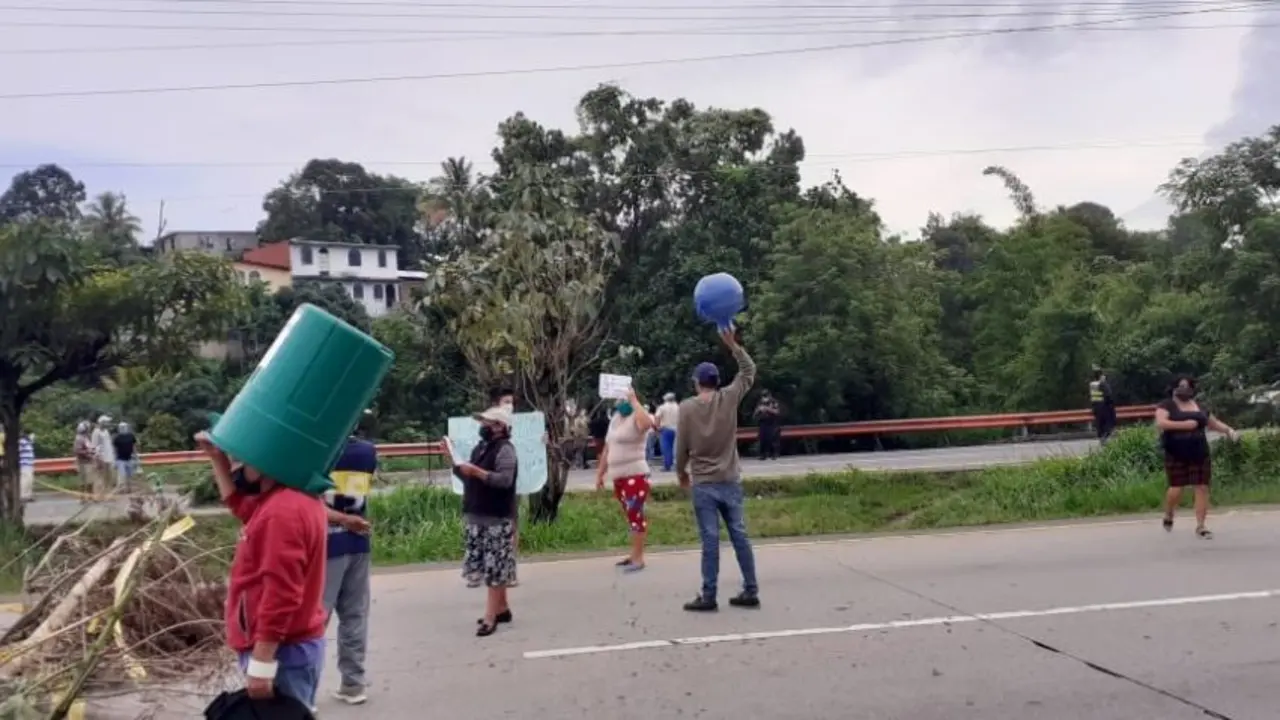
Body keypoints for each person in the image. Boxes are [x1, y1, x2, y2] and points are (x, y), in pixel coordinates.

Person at [194, 431, 328, 711]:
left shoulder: (281, 512)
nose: (237, 468)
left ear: (270, 460)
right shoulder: (287, 498)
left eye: (243, 459)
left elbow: (282, 592)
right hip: (290, 646)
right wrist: (217, 458)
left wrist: (262, 662)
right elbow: (239, 506)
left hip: (282, 651)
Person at [676, 327, 760, 612]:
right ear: (716, 381)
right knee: (739, 533)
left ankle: (709, 594)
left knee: (710, 539)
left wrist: (680, 473)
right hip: (730, 477)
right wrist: (732, 345)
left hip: (703, 482)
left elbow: (681, 447)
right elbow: (749, 371)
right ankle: (750, 589)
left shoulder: (686, 408)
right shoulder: (729, 398)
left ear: (698, 383)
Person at [322, 418, 376, 706]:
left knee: (316, 619)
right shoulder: (367, 451)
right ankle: (353, 684)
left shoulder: (318, 451)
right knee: (354, 616)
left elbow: (308, 501)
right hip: (359, 540)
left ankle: (304, 691)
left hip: (326, 543)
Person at [452, 405, 519, 637]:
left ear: (500, 427)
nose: (483, 426)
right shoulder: (481, 447)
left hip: (496, 516)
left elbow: (504, 481)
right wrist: (455, 464)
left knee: (494, 568)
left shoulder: (506, 450)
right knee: (490, 564)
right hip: (476, 512)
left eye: (487, 423)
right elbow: (468, 478)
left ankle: (490, 617)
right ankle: (502, 609)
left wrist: (478, 472)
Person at [1156, 375, 1239, 539]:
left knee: (1201, 487)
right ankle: (1169, 513)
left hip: (1199, 452)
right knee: (1176, 488)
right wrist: (1184, 425)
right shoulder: (1167, 405)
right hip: (1176, 452)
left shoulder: (1199, 407)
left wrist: (1229, 431)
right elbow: (1161, 423)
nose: (1184, 390)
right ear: (1173, 388)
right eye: (1180, 386)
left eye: (1187, 387)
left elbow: (1213, 423)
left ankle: (1201, 526)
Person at [596, 386, 655, 571]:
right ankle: (633, 554)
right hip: (618, 476)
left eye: (624, 400)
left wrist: (635, 402)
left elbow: (646, 424)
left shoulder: (639, 416)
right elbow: (607, 448)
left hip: (635, 474)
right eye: (619, 401)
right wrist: (600, 473)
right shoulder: (615, 419)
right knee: (630, 516)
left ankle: (639, 558)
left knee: (636, 514)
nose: (621, 404)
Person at [1089, 368, 1117, 445]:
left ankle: (1101, 438)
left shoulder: (1092, 385)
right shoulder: (1103, 384)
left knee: (1100, 424)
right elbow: (1109, 396)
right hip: (1105, 407)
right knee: (1109, 424)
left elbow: (1093, 397)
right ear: (1101, 376)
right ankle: (1104, 439)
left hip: (1096, 408)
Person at [654, 393, 680, 472]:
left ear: (665, 399)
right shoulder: (678, 407)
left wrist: (657, 427)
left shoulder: (662, 407)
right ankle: (675, 465)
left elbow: (657, 417)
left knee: (666, 448)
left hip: (666, 429)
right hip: (677, 429)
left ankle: (667, 466)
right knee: (675, 448)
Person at [90, 415, 116, 495]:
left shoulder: (106, 431)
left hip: (109, 457)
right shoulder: (96, 432)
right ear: (102, 423)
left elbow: (109, 444)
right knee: (99, 477)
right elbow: (94, 447)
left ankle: (108, 494)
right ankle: (98, 495)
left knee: (109, 478)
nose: (108, 424)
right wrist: (97, 458)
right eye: (107, 422)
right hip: (101, 458)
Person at [753, 390, 782, 461]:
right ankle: (763, 454)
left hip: (772, 422)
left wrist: (767, 409)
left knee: (771, 438)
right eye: (763, 396)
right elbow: (755, 414)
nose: (764, 398)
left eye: (765, 396)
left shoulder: (773, 402)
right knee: (762, 438)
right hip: (762, 422)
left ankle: (774, 454)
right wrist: (758, 410)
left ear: (769, 396)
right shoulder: (760, 403)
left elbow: (777, 412)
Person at [112, 422, 140, 491]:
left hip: (129, 458)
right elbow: (115, 449)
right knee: (122, 475)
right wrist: (115, 459)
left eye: (124, 427)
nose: (123, 428)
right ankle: (121, 488)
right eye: (122, 427)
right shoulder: (117, 438)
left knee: (130, 474)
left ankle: (129, 488)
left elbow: (134, 446)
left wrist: (136, 456)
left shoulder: (131, 436)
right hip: (120, 459)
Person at [73, 422, 94, 500]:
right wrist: (88, 453)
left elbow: (90, 447)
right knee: (83, 481)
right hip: (82, 462)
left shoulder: (87, 438)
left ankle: (90, 497)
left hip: (88, 461)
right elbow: (77, 451)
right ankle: (82, 498)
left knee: (90, 481)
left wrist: (93, 451)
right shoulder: (79, 438)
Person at [17, 431, 35, 505]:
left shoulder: (28, 443)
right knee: (24, 481)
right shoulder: (22, 442)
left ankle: (28, 495)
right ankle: (23, 496)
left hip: (29, 465)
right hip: (24, 465)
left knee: (30, 481)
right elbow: (18, 450)